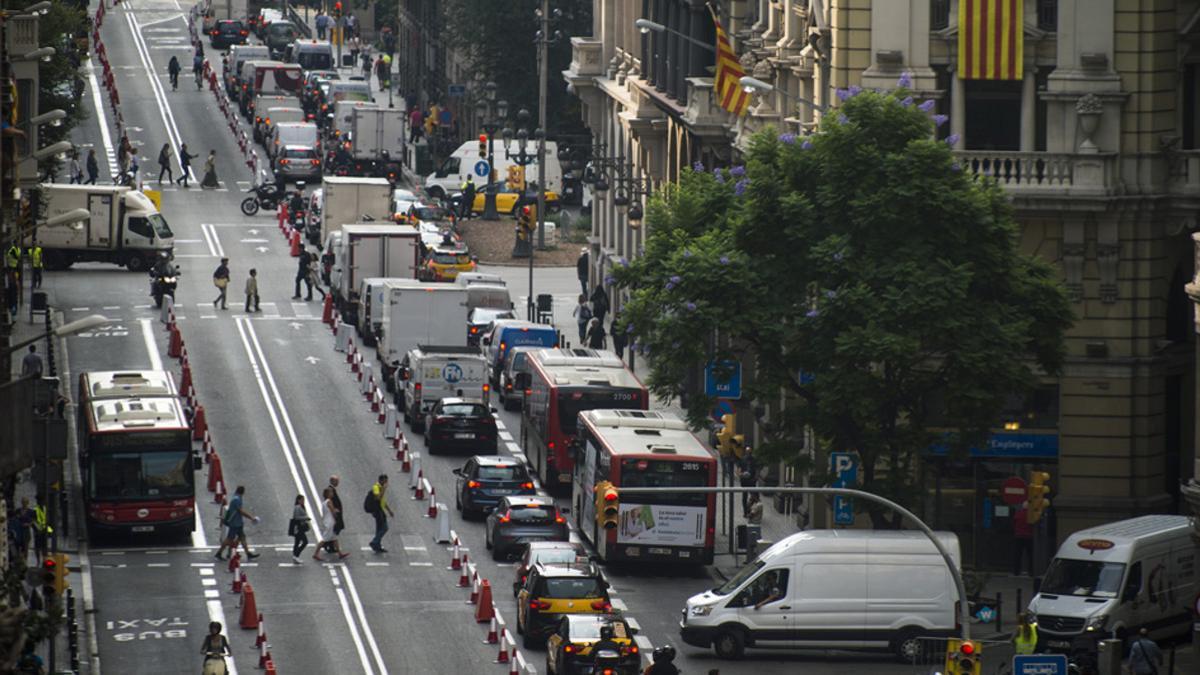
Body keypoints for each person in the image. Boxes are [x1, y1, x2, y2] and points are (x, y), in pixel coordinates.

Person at [215, 485, 260, 561]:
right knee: (229, 539)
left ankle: (248, 553)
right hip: (235, 523)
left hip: (238, 523)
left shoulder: (237, 498)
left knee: (242, 538)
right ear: (243, 492)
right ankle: (219, 553)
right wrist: (251, 518)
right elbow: (241, 511)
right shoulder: (237, 500)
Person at [314, 486, 349, 560]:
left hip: (327, 521)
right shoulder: (329, 501)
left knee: (334, 538)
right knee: (325, 539)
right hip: (330, 522)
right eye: (331, 492)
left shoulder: (324, 502)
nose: (332, 493)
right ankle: (315, 554)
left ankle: (340, 553)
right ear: (328, 494)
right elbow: (333, 511)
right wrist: (336, 514)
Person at [367, 474, 394, 553]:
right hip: (377, 511)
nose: (386, 483)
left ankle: (377, 546)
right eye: (385, 481)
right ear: (381, 480)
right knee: (384, 528)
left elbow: (383, 501)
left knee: (379, 529)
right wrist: (384, 489)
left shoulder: (380, 488)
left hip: (380, 510)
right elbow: (378, 498)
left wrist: (389, 510)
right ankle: (374, 542)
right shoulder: (376, 487)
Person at [1013, 503, 1033, 576]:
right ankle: (1031, 571)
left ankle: (1016, 571)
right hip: (1029, 536)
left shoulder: (1018, 513)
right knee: (1030, 555)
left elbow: (1014, 522)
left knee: (1018, 554)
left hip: (1019, 536)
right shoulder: (1030, 515)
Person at [288, 495, 310, 564]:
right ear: (298, 500)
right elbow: (297, 517)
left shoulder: (300, 507)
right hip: (298, 528)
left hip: (299, 528)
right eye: (302, 500)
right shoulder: (298, 507)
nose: (303, 501)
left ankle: (295, 556)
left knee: (297, 542)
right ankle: (296, 555)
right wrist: (306, 518)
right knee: (305, 542)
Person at [739, 446, 758, 517]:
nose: (748, 453)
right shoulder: (742, 459)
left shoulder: (754, 460)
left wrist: (755, 478)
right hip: (744, 481)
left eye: (749, 452)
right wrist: (741, 474)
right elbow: (739, 469)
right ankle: (745, 511)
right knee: (744, 497)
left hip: (751, 480)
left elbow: (756, 469)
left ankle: (750, 509)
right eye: (747, 452)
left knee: (754, 496)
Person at [32, 494, 50, 561]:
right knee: (38, 547)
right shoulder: (35, 510)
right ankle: (39, 561)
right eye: (39, 501)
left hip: (43, 531)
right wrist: (37, 529)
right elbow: (33, 521)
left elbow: (48, 520)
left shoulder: (45, 509)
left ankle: (43, 560)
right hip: (38, 532)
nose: (40, 502)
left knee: (43, 547)